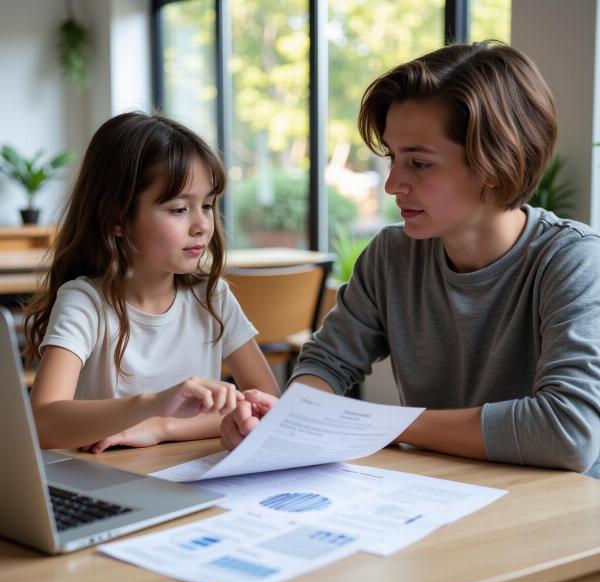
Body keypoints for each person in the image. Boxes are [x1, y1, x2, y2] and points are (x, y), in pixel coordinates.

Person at [222, 40, 600, 476]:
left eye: (419, 164)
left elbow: (567, 432)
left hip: (552, 517)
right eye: (392, 158)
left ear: (494, 163)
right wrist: (283, 422)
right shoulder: (391, 254)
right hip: (438, 493)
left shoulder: (574, 261)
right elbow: (327, 363)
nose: (392, 184)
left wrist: (388, 425)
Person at [24, 112, 280, 453]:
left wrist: (163, 426)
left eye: (206, 205)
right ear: (117, 218)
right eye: (178, 209)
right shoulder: (84, 302)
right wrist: (154, 403)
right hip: (106, 478)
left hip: (185, 474)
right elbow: (43, 423)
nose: (203, 225)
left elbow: (269, 404)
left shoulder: (212, 297)